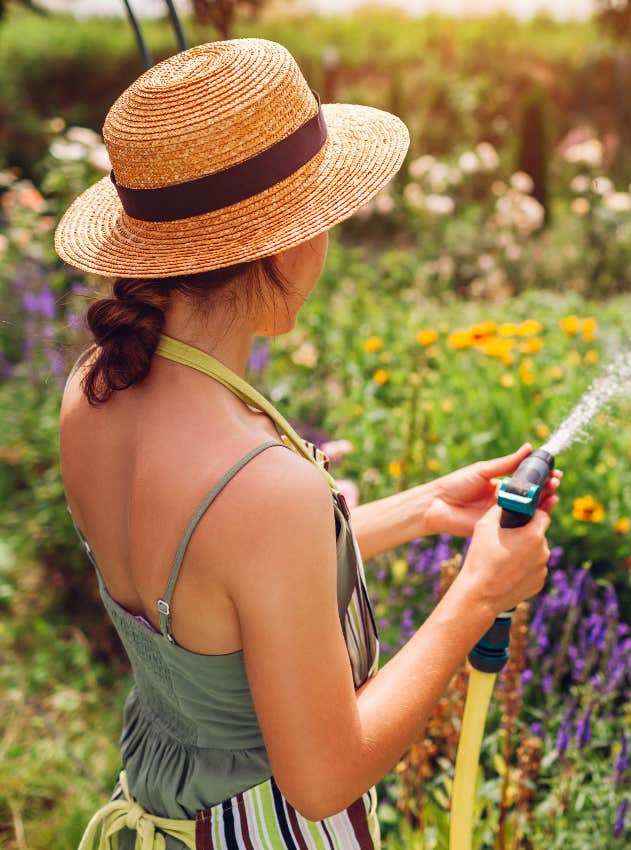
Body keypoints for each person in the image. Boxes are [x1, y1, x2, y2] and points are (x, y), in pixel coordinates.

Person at [55, 38, 561, 850]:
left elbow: (219, 593)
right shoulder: (259, 486)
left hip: (159, 812)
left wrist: (422, 509)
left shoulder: (94, 390)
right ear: (286, 241)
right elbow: (324, 778)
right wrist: (476, 595)